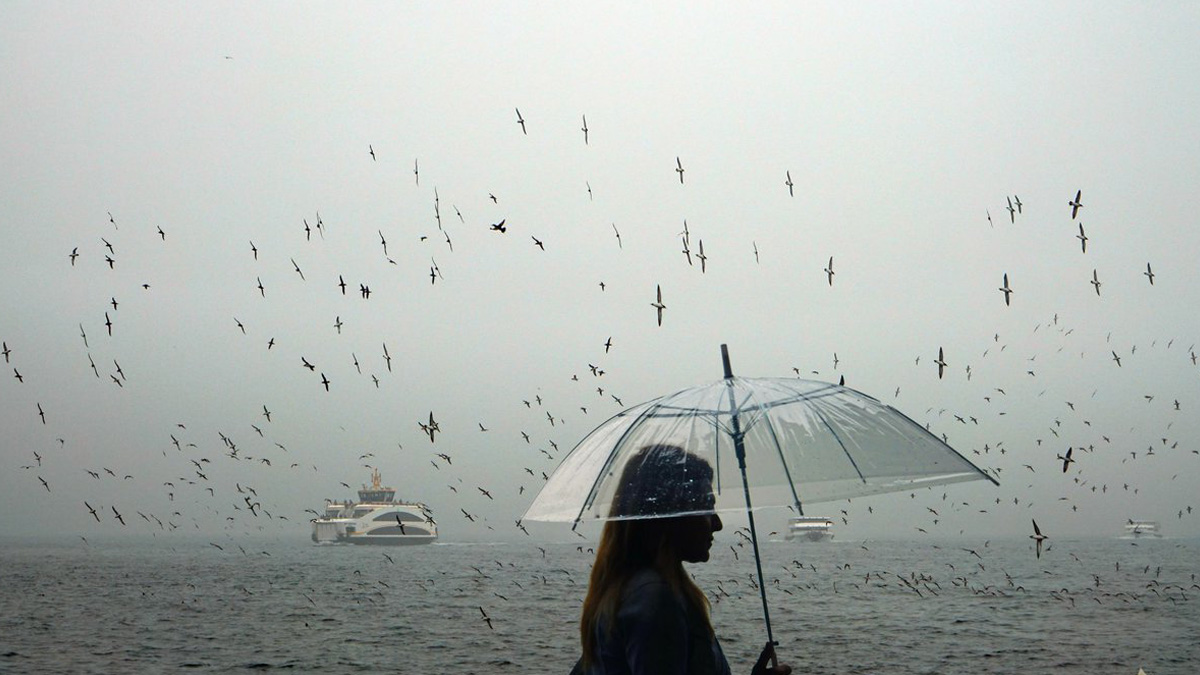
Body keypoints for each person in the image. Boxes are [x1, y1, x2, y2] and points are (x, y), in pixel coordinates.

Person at [574, 444, 791, 675]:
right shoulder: (655, 599)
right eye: (706, 507)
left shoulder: (627, 589)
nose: (717, 524)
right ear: (671, 514)